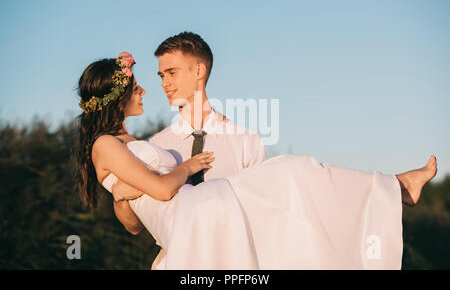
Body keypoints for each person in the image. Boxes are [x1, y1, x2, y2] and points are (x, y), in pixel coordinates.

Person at [75, 51, 437, 269]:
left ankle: (393, 188)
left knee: (294, 181)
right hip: (196, 217)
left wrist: (125, 191)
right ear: (116, 95)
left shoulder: (128, 143)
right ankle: (396, 187)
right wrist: (185, 167)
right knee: (294, 175)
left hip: (198, 219)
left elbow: (139, 200)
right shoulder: (106, 144)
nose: (145, 90)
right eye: (136, 86)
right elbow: (154, 198)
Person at [111, 33, 266, 268]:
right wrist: (119, 198)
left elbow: (262, 215)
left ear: (199, 71)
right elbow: (134, 226)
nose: (164, 83)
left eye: (172, 73)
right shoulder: (155, 145)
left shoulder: (245, 140)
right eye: (162, 75)